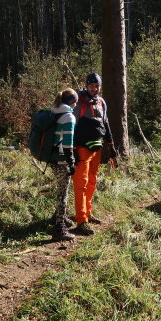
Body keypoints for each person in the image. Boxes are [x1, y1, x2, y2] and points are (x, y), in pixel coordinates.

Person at [72, 73, 117, 235]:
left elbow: (105, 124)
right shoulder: (79, 102)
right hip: (81, 149)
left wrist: (111, 147)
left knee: (92, 182)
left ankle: (88, 212)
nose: (94, 88)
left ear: (100, 86)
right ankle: (81, 220)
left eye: (96, 85)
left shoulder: (101, 102)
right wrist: (73, 150)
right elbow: (72, 127)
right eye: (91, 85)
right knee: (81, 184)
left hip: (96, 148)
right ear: (86, 85)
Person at [49, 88, 78, 241]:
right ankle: (59, 228)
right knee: (63, 193)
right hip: (61, 159)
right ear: (73, 102)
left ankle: (60, 216)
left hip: (52, 157)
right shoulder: (68, 117)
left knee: (60, 188)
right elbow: (68, 144)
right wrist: (71, 163)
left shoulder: (54, 112)